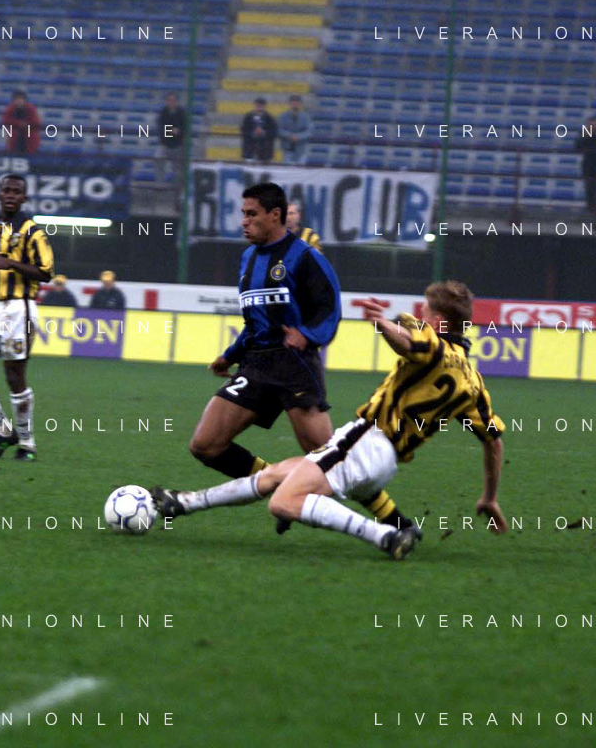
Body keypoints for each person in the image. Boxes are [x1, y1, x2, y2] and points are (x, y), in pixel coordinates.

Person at [155, 283, 507, 560]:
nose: (420, 316)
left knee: (283, 502)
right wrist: (489, 498)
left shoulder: (433, 344)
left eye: (425, 312)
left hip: (365, 441)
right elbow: (493, 442)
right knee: (277, 474)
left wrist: (382, 323)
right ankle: (184, 503)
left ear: (439, 322)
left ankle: (385, 536)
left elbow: (410, 344)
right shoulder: (473, 383)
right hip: (385, 464)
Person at [186, 182, 415, 532]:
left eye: (251, 214)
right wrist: (230, 355)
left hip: (295, 364)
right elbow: (255, 320)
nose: (243, 221)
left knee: (330, 459)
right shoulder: (248, 259)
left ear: (274, 215)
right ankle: (279, 482)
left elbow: (329, 310)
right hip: (256, 364)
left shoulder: (305, 257)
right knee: (205, 445)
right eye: (243, 214)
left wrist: (306, 335)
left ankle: (397, 523)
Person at [0, 174, 54, 462]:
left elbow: (46, 273)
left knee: (14, 376)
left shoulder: (32, 232)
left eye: (17, 191)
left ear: (25, 198)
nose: (11, 195)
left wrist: (12, 263)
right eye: (7, 190)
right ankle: (4, 431)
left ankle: (27, 442)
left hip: (18, 308)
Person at [574, 116, 596, 220]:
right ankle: (590, 208)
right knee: (590, 187)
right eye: (590, 124)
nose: (592, 126)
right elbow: (577, 146)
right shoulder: (583, 133)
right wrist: (585, 137)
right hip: (589, 164)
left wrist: (588, 142)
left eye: (593, 124)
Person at [156, 92, 186, 194]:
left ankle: (176, 188)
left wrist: (176, 132)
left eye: (173, 100)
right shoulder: (163, 112)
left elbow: (183, 129)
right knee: (158, 158)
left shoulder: (181, 113)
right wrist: (172, 131)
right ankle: (160, 184)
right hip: (165, 144)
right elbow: (161, 128)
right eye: (169, 100)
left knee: (178, 167)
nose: (171, 102)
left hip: (177, 145)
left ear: (177, 102)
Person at [2, 91, 41, 155]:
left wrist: (26, 124)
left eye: (20, 99)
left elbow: (36, 122)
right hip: (14, 139)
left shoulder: (31, 109)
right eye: (17, 99)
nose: (19, 101)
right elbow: (5, 120)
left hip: (30, 139)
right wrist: (19, 124)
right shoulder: (10, 109)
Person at [277, 94, 311, 164]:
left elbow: (309, 131)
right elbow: (279, 130)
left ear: (300, 104)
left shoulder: (306, 117)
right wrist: (290, 135)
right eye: (293, 102)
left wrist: (298, 136)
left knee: (300, 169)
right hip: (287, 148)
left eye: (297, 102)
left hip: (301, 149)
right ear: (289, 103)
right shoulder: (282, 116)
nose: (295, 104)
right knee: (287, 168)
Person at [240, 98, 277, 162]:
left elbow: (274, 132)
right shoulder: (248, 117)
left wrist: (263, 132)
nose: (259, 107)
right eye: (257, 105)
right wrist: (253, 133)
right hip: (250, 151)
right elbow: (243, 131)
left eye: (261, 105)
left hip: (265, 152)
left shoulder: (269, 118)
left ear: (264, 106)